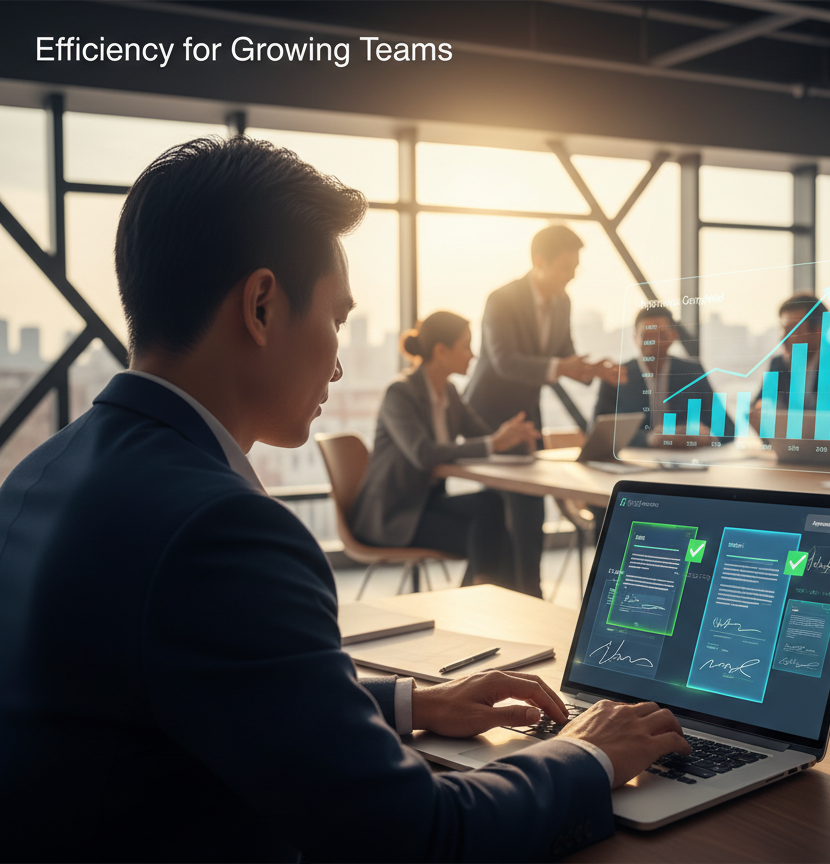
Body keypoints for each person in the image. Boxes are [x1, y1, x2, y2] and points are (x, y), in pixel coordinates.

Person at [0, 137, 690, 861]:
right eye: (337, 317)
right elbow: (422, 837)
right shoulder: (222, 529)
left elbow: (200, 682)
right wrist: (587, 753)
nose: (337, 360)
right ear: (261, 306)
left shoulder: (42, 472)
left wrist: (414, 702)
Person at [464, 225, 621, 597]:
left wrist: (592, 371)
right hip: (488, 415)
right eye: (566, 268)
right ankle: (522, 593)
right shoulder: (502, 299)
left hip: (526, 413)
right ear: (540, 262)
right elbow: (504, 361)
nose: (571, 276)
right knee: (517, 508)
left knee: (525, 510)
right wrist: (562, 366)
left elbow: (563, 355)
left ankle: (511, 591)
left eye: (575, 268)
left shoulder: (563, 302)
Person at [350, 311, 539, 592]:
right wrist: (493, 443)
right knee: (493, 534)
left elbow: (482, 435)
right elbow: (423, 454)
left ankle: (485, 597)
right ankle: (491, 599)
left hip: (427, 504)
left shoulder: (448, 392)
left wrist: (514, 437)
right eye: (466, 346)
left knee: (491, 509)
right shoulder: (399, 393)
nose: (473, 354)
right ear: (441, 351)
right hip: (394, 515)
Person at [594, 305, 729, 447]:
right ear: (635, 337)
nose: (654, 342)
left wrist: (707, 437)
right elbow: (598, 433)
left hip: (687, 456)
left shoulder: (692, 372)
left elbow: (725, 428)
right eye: (647, 336)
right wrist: (651, 439)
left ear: (674, 336)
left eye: (661, 335)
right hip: (635, 457)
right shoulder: (616, 375)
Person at [753, 293, 830, 431]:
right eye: (783, 328)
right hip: (790, 441)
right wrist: (762, 407)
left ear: (818, 330)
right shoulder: (779, 363)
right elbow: (758, 404)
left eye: (793, 330)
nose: (784, 337)